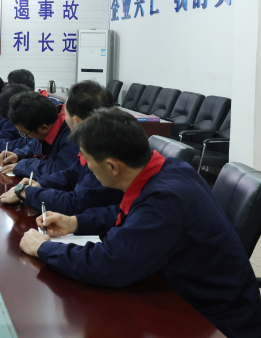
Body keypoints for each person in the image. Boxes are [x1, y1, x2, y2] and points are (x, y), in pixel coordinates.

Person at [19, 108, 261, 338]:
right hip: (183, 296)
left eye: (88, 161)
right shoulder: (169, 168)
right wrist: (76, 222)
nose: (87, 167)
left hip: (213, 322)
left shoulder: (164, 201)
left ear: (112, 166)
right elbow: (132, 214)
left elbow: (110, 263)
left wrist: (43, 248)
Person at [0, 81, 123, 215]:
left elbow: (76, 203)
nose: (62, 115)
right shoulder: (94, 139)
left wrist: (28, 193)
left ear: (77, 121)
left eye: (65, 111)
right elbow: (71, 175)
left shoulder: (103, 151)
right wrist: (40, 184)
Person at [0, 92, 79, 178]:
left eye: (24, 134)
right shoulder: (44, 121)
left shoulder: (71, 136)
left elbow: (60, 170)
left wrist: (24, 166)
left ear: (44, 128)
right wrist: (19, 155)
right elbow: (35, 144)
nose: (25, 136)